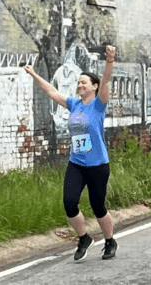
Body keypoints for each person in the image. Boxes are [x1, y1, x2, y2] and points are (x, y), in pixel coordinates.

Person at [24, 45, 118, 261]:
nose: (79, 84)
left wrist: (110, 61)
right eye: (78, 82)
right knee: (69, 203)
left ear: (93, 87)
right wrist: (34, 73)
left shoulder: (98, 105)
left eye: (84, 82)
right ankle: (84, 238)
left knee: (98, 206)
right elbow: (52, 91)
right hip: (76, 163)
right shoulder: (74, 104)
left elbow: (105, 82)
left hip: (97, 165)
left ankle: (110, 241)